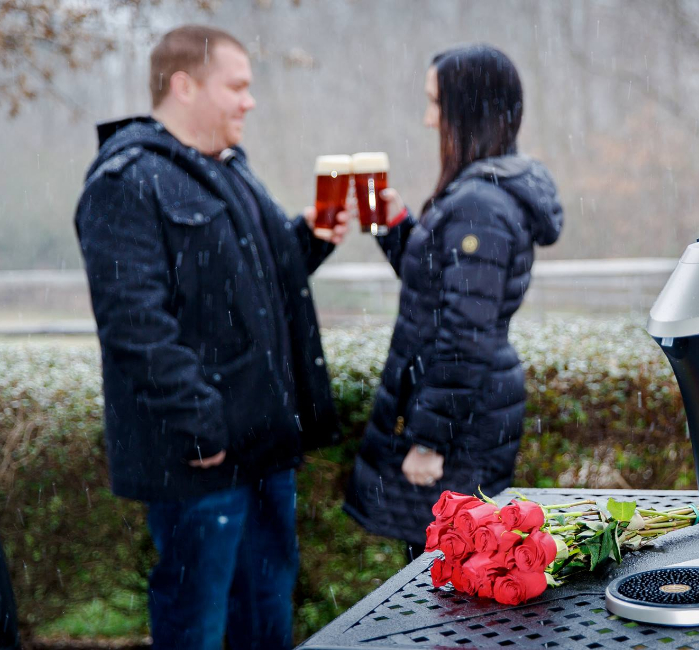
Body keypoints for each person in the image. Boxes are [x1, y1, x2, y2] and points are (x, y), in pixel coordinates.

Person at [74, 25, 346, 650]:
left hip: (263, 451)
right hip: (200, 461)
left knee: (266, 614)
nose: (249, 101)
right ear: (184, 85)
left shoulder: (234, 171)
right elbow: (134, 326)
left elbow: (254, 290)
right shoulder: (125, 182)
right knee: (198, 624)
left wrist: (308, 241)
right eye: (238, 87)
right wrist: (201, 428)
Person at [343, 44, 564, 560]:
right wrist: (400, 232)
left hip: (459, 427)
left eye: (435, 104)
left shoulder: (479, 206)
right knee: (451, 570)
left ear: (469, 112)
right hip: (470, 412)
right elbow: (445, 294)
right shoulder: (482, 195)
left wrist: (429, 440)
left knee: (447, 576)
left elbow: (465, 332)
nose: (427, 119)